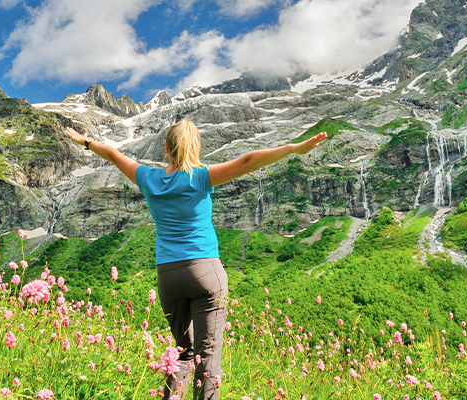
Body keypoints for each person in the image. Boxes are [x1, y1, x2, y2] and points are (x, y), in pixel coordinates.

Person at [65, 120, 326, 399]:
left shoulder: (149, 179)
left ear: (166, 147)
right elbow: (248, 161)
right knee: (208, 361)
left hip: (168, 278)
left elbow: (115, 155)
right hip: (205, 272)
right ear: (196, 147)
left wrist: (86, 142)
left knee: (183, 354)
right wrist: (292, 148)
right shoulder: (200, 177)